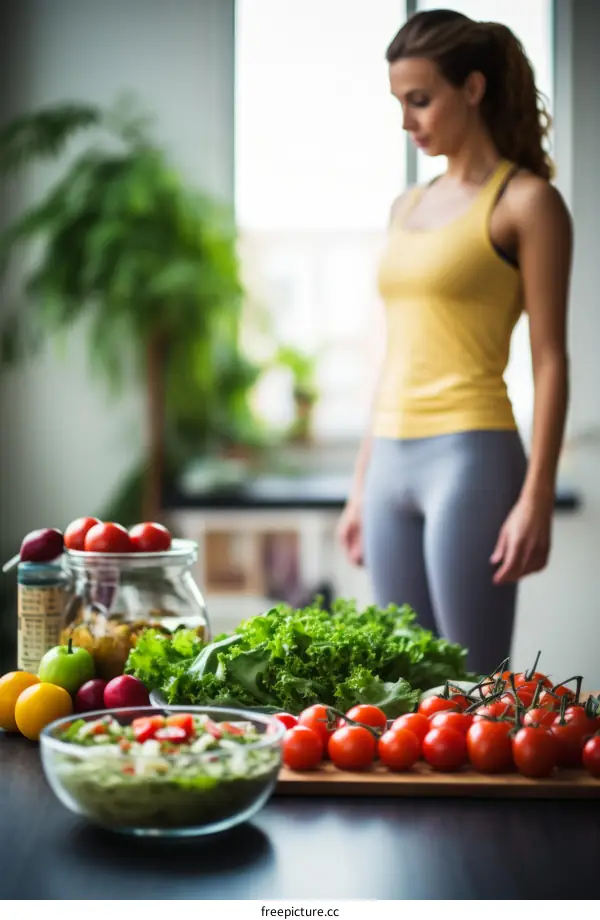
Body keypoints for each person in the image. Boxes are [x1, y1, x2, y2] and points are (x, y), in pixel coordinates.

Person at [337, 9, 572, 675]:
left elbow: (551, 359)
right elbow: (396, 354)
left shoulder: (526, 203)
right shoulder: (404, 207)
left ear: (472, 89)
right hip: (389, 460)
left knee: (472, 686)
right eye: (399, 103)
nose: (407, 122)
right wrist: (360, 487)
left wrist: (537, 495)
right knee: (402, 690)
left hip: (471, 456)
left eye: (420, 100)